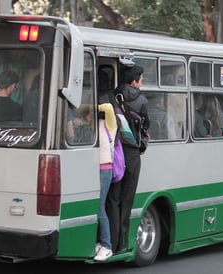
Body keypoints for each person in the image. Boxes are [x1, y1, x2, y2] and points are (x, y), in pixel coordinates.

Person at [106, 64, 149, 253]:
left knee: (113, 198)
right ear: (134, 81)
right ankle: (122, 243)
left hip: (115, 151)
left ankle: (111, 241)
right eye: (141, 79)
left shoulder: (112, 96)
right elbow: (146, 126)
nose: (142, 83)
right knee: (127, 199)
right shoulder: (141, 101)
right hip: (132, 154)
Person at [94, 92, 118, 261]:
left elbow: (108, 107)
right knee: (97, 206)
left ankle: (107, 246)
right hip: (96, 168)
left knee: (100, 207)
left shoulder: (110, 122)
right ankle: (101, 243)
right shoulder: (96, 123)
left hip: (105, 169)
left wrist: (90, 105)